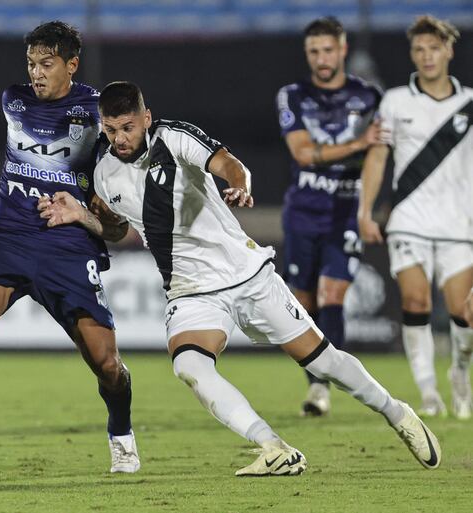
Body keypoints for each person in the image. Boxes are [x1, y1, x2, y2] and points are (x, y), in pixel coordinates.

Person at [40, 81, 441, 476]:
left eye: (127, 127)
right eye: (110, 130)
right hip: (190, 290)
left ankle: (396, 413)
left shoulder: (175, 138)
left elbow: (230, 164)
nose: (119, 138)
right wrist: (84, 217)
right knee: (189, 366)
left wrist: (239, 185)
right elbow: (119, 230)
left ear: (146, 118)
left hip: (246, 274)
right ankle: (273, 447)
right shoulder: (106, 173)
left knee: (325, 363)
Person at [0, 21, 140, 474]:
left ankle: (121, 433)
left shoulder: (99, 116)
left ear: (71, 65)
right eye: (31, 64)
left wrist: (87, 212)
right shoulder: (12, 100)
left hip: (68, 248)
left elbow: (119, 232)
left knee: (106, 363)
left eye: (47, 64)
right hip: (9, 236)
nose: (36, 73)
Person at [358, 15, 473, 419]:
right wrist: (365, 210)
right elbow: (377, 156)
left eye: (434, 49)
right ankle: (427, 391)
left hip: (460, 223)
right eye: (419, 50)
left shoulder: (469, 104)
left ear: (449, 51)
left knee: (463, 313)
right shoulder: (394, 101)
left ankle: (460, 371)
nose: (427, 57)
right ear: (412, 54)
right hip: (409, 218)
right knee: (415, 299)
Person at [276, 17, 382, 416]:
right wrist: (359, 142)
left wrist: (368, 209)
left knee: (332, 294)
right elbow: (303, 153)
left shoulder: (369, 97)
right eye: (313, 52)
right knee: (303, 301)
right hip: (303, 212)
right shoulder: (293, 96)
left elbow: (379, 155)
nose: (321, 58)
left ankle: (324, 385)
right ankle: (318, 378)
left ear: (342, 50)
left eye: (327, 50)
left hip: (345, 213)